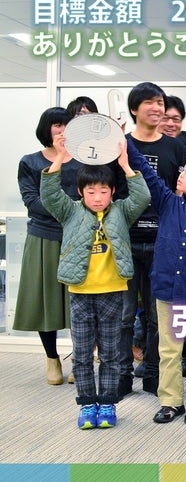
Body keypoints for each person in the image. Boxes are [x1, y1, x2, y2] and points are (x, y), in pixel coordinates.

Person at [41, 138, 150, 429]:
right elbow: (49, 194)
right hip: (80, 292)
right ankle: (87, 404)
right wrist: (60, 157)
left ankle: (108, 404)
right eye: (91, 191)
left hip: (112, 291)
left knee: (112, 354)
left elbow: (142, 197)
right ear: (81, 192)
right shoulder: (70, 211)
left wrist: (125, 165)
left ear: (112, 191)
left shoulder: (121, 211)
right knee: (82, 354)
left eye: (103, 191)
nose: (98, 197)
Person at [126, 143, 186, 425]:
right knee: (168, 350)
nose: (182, 175)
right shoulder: (167, 202)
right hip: (166, 290)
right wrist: (124, 141)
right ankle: (171, 402)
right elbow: (146, 171)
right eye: (183, 170)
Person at [119, 82, 186, 399]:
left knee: (156, 315)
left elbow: (182, 193)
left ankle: (152, 374)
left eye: (160, 102)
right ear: (134, 109)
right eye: (149, 102)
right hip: (125, 239)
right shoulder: (120, 144)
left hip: (162, 241)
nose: (157, 108)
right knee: (123, 314)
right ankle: (120, 375)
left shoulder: (175, 148)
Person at [14, 107, 79, 385]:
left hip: (79, 238)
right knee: (46, 301)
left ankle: (80, 359)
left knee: (81, 302)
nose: (62, 131)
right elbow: (33, 202)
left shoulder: (84, 162)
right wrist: (69, 209)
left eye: (67, 125)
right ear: (46, 128)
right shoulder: (30, 162)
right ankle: (52, 358)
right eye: (57, 125)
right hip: (43, 237)